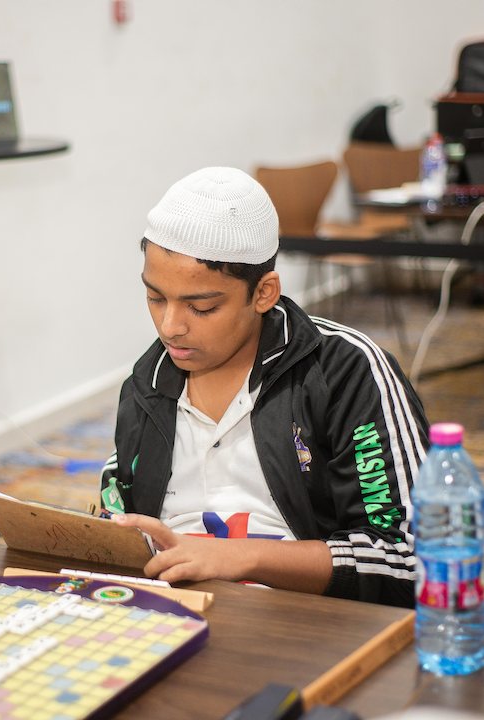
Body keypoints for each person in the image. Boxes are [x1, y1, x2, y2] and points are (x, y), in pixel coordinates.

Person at [101, 166, 429, 608]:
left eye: (201, 307)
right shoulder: (147, 384)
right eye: (155, 297)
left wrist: (239, 557)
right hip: (174, 614)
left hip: (304, 622)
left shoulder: (345, 372)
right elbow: (119, 520)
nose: (170, 326)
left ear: (264, 293)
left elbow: (410, 561)